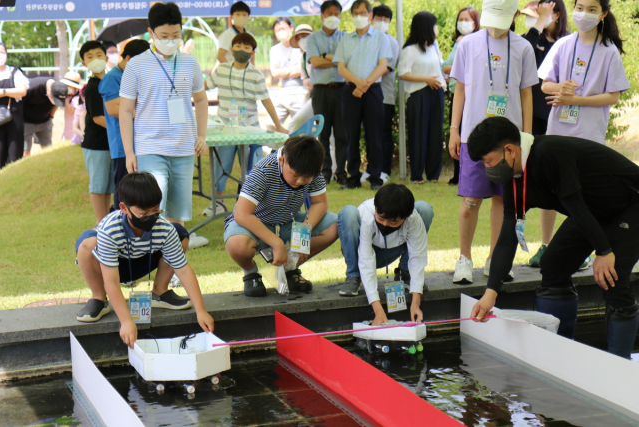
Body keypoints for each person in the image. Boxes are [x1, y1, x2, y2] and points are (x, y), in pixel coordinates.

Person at [467, 116, 639, 360]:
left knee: (612, 277)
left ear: (509, 150)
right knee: (553, 266)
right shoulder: (514, 179)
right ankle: (561, 354)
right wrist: (490, 292)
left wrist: (603, 251)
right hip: (592, 212)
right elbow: (507, 238)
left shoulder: (550, 153)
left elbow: (575, 205)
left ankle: (619, 365)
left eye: (488, 161)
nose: (488, 168)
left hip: (630, 204)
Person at [448, 0, 538, 284]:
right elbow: (460, 90)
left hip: (509, 142)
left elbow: (526, 95)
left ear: (513, 15)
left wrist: (525, 138)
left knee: (502, 200)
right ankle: (464, 258)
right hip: (474, 137)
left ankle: (495, 258)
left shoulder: (523, 47)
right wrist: (454, 129)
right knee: (470, 200)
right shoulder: (467, 45)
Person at [74, 172, 215, 349]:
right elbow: (111, 281)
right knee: (86, 243)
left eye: (155, 211)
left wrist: (201, 311)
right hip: (112, 267)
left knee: (179, 232)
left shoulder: (163, 228)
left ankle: (159, 292)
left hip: (143, 262)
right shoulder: (109, 229)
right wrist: (126, 321)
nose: (151, 217)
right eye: (143, 213)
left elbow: (184, 271)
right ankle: (99, 299)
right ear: (124, 208)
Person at [120, 2, 209, 248]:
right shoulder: (136, 65)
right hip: (150, 147)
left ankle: (173, 269)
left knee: (177, 216)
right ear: (151, 33)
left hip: (183, 148)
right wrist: (130, 152)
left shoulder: (190, 62)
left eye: (176, 35)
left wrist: (201, 135)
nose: (170, 40)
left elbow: (201, 100)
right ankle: (148, 260)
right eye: (164, 36)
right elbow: (126, 111)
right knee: (151, 210)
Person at [224, 135, 339, 297]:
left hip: (287, 222)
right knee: (237, 245)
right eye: (294, 175)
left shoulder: (312, 169)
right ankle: (251, 273)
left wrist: (302, 236)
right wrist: (277, 243)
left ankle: (289, 268)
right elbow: (242, 214)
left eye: (306, 178)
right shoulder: (264, 170)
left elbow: (320, 204)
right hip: (254, 224)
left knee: (334, 226)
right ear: (282, 161)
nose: (299, 181)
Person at [207, 32, 288, 215]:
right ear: (231, 49)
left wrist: (279, 125)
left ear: (252, 52)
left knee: (254, 169)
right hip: (225, 129)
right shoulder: (221, 70)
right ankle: (217, 203)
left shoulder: (256, 74)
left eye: (247, 48)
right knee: (221, 166)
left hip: (250, 130)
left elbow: (266, 101)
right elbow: (203, 87)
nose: (242, 50)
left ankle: (254, 206)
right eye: (238, 46)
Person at [337, 184, 433, 326]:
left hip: (394, 250)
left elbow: (418, 257)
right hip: (363, 254)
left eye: (393, 222)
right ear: (376, 209)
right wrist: (378, 310)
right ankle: (353, 276)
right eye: (381, 218)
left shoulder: (413, 218)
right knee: (348, 212)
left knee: (424, 208)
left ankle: (405, 272)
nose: (385, 224)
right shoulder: (366, 216)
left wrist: (415, 303)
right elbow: (366, 260)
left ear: (406, 218)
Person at [519, 0, 570, 269]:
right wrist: (537, 24)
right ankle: (547, 243)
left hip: (564, 122)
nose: (534, 15)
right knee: (543, 183)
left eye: (541, 10)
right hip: (535, 121)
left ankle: (578, 245)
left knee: (566, 182)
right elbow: (523, 54)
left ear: (557, 13)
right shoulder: (532, 39)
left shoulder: (568, 43)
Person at [539, 0, 628, 145]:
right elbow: (545, 85)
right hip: (557, 132)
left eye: (592, 10)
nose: (584, 14)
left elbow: (613, 97)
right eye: (580, 8)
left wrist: (576, 101)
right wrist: (560, 87)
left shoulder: (609, 51)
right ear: (574, 9)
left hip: (589, 135)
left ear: (603, 14)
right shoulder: (562, 44)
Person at [334, 0, 392, 191]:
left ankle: (375, 177)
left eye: (362, 13)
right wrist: (358, 84)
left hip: (372, 91)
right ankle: (353, 177)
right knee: (350, 134)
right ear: (351, 16)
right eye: (355, 13)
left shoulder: (380, 38)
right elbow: (341, 67)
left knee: (374, 134)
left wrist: (364, 85)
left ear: (370, 15)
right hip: (351, 90)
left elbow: (383, 66)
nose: (359, 16)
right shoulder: (345, 39)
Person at [99, 39, 151, 208]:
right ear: (129, 59)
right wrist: (148, 113)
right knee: (124, 188)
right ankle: (119, 224)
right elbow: (114, 109)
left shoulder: (136, 75)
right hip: (123, 146)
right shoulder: (111, 79)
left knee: (141, 189)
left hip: (143, 142)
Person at [398, 11, 446, 184]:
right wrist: (425, 79)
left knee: (435, 134)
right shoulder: (410, 50)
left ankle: (434, 174)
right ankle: (417, 175)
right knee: (418, 134)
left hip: (436, 93)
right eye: (433, 25)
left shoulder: (434, 47)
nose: (436, 28)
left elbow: (438, 69)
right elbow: (403, 73)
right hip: (419, 94)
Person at [306, 0, 347, 185]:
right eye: (330, 13)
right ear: (322, 16)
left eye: (337, 14)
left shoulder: (346, 38)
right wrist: (338, 60)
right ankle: (324, 173)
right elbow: (315, 62)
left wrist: (326, 57)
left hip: (341, 90)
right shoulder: (313, 38)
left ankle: (342, 172)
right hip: (321, 91)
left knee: (342, 134)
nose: (333, 17)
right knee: (322, 133)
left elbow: (349, 62)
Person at [442, 7, 481, 185]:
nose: (463, 23)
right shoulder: (457, 42)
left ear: (475, 22)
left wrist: (454, 68)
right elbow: (446, 66)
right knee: (456, 131)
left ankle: (466, 171)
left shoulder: (477, 43)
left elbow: (454, 67)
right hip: (455, 93)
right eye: (461, 19)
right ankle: (458, 173)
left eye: (467, 19)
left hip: (472, 96)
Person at [81, 40, 114, 227]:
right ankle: (99, 222)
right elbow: (97, 118)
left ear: (106, 57)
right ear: (84, 63)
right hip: (96, 145)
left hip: (109, 144)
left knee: (106, 186)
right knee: (98, 184)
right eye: (90, 57)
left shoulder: (109, 82)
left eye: (99, 55)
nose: (96, 59)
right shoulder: (93, 86)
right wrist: (121, 127)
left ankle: (105, 222)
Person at [368, 4, 397, 184]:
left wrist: (365, 82)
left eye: (386, 19)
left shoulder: (391, 42)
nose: (382, 22)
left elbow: (385, 69)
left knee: (383, 134)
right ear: (371, 18)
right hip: (366, 94)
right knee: (371, 135)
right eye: (379, 18)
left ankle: (384, 170)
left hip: (384, 95)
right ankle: (371, 170)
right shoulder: (366, 40)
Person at [22, 76, 78, 157]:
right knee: (25, 151)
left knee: (48, 149)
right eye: (53, 99)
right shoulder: (32, 87)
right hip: (27, 121)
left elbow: (57, 103)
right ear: (48, 91)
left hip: (45, 121)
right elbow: (18, 103)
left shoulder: (60, 88)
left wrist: (50, 116)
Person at [269, 17, 306, 127]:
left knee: (300, 126)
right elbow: (275, 74)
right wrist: (294, 69)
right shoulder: (274, 50)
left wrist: (282, 71)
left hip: (301, 92)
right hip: (283, 92)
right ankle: (278, 144)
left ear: (291, 28)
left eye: (283, 28)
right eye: (277, 30)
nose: (281, 32)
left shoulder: (300, 47)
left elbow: (303, 70)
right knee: (270, 124)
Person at [0, 42, 28, 169]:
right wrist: (11, 92)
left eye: (2, 52)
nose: (0, 55)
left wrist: (2, 92)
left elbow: (22, 91)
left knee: (14, 155)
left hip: (14, 121)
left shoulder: (14, 71)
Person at [61, 72, 82, 143]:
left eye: (69, 85)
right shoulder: (69, 97)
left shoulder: (77, 98)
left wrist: (64, 97)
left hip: (74, 132)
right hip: (67, 131)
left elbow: (70, 110)